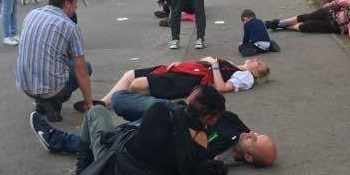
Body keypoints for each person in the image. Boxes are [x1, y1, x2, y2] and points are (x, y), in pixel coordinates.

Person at [30, 84, 278, 170]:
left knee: (117, 134)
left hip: (168, 124)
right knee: (119, 100)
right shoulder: (237, 126)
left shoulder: (217, 156)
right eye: (258, 133)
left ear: (246, 156)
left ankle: (57, 140)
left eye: (254, 140)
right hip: (175, 110)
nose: (251, 133)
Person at [56, 101, 231, 175]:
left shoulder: (170, 125)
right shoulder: (196, 143)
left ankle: (81, 169)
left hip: (112, 166)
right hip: (127, 164)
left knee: (96, 111)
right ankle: (61, 143)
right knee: (111, 126)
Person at [16, 0, 93, 122]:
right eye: (75, 2)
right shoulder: (70, 27)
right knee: (86, 67)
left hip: (25, 85)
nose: (76, 7)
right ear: (66, 4)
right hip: (51, 88)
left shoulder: (32, 14)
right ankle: (53, 103)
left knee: (55, 61)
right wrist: (89, 103)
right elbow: (81, 71)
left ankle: (41, 103)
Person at [100, 56, 270, 105]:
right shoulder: (236, 66)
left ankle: (121, 102)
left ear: (256, 74)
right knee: (131, 74)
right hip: (188, 70)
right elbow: (205, 63)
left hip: (189, 80)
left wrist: (214, 65)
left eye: (259, 63)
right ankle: (102, 103)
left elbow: (221, 87)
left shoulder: (245, 76)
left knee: (136, 85)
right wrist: (183, 64)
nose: (256, 59)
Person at [267, 0, 350, 37]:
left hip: (334, 26)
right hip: (331, 12)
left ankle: (283, 27)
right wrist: (330, 4)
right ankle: (277, 23)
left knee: (305, 26)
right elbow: (341, 2)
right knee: (306, 17)